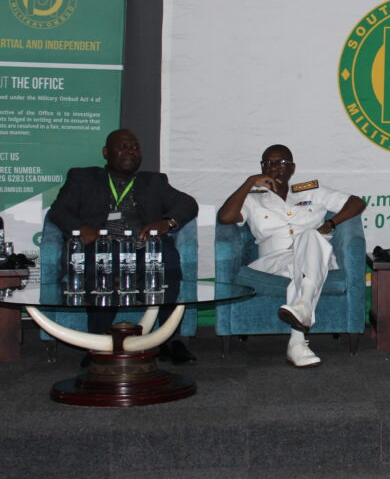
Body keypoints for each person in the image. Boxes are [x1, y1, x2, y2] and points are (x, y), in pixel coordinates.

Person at [49, 128, 199, 364]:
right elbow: (58, 211)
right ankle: (98, 344)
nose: (131, 151)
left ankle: (170, 340)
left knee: (167, 261)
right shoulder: (82, 178)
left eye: (135, 147)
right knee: (100, 268)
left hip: (142, 247)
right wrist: (81, 228)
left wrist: (166, 222)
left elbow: (188, 203)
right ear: (106, 152)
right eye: (123, 146)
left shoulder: (154, 182)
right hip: (101, 246)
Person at [217, 144, 366, 368]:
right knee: (299, 264)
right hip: (274, 261)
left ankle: (299, 336)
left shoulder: (312, 190)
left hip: (316, 256)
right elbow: (225, 217)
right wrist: (249, 182)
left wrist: (331, 223)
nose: (273, 167)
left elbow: (357, 202)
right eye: (267, 163)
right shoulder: (253, 198)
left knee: (310, 236)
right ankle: (301, 316)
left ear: (293, 168)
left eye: (281, 162)